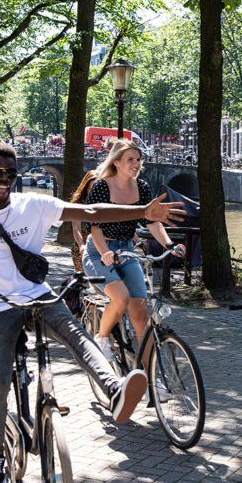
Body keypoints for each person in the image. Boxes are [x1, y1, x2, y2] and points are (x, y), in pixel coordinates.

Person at [0, 142, 185, 483]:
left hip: (37, 295)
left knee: (76, 335)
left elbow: (90, 213)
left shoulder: (34, 205)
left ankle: (115, 389)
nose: (4, 179)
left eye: (10, 172)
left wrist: (140, 212)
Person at [81, 140, 185, 364]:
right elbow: (94, 226)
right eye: (131, 159)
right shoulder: (101, 187)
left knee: (140, 311)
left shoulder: (143, 188)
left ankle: (149, 376)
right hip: (99, 251)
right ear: (116, 162)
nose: (136, 164)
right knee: (120, 298)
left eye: (138, 160)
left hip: (127, 250)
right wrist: (105, 252)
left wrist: (169, 245)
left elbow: (153, 223)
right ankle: (101, 337)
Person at [69, 170, 98, 272]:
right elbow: (76, 228)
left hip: (100, 245)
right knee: (85, 280)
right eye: (92, 188)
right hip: (83, 245)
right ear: (86, 187)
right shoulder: (79, 204)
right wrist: (81, 245)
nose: (95, 192)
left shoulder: (104, 202)